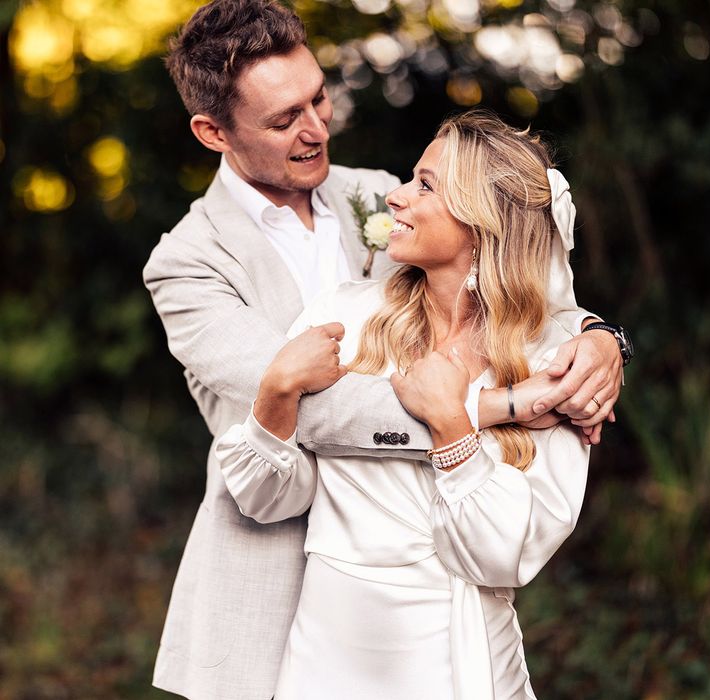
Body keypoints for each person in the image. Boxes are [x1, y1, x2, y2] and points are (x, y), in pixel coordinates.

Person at [142, 1, 628, 698]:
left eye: (318, 98)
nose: (316, 130)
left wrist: (599, 339)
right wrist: (502, 404)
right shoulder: (187, 265)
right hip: (275, 567)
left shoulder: (378, 197)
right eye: (284, 120)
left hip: (428, 578)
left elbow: (512, 271)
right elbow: (312, 408)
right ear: (212, 131)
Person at [216, 110, 593, 700]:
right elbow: (265, 498)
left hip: (456, 659)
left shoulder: (556, 361)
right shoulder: (345, 316)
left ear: (481, 220)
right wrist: (276, 392)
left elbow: (501, 560)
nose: (394, 196)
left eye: (425, 184)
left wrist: (453, 426)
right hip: (325, 656)